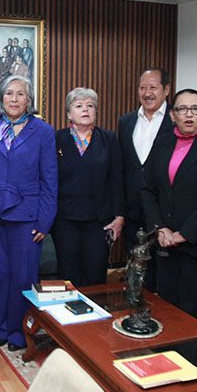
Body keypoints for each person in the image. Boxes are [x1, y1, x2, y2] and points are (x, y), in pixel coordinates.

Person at [0, 76, 57, 351]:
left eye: (20, 94)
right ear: (1, 98)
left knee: (23, 276)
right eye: (9, 93)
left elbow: (49, 180)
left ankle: (18, 331)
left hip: (27, 216)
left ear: (29, 100)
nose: (14, 99)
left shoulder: (43, 131)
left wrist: (45, 220)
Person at [140, 89, 197, 325]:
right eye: (182, 109)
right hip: (166, 244)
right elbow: (147, 189)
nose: (189, 114)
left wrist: (185, 234)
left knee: (195, 315)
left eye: (195, 109)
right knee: (166, 311)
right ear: (172, 115)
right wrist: (160, 228)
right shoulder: (162, 143)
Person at [52, 87, 124, 286]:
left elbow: (117, 179)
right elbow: (48, 179)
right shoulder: (57, 139)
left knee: (96, 274)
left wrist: (119, 217)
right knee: (68, 275)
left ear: (96, 112)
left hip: (99, 221)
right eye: (79, 106)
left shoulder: (108, 139)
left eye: (90, 106)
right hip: (65, 220)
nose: (85, 109)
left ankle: (95, 308)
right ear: (69, 114)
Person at [118, 68, 173, 290]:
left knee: (164, 273)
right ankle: (134, 304)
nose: (147, 93)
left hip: (164, 210)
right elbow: (122, 167)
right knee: (135, 269)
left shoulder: (175, 121)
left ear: (166, 90)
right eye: (142, 87)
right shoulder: (126, 122)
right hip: (132, 210)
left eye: (153, 87)